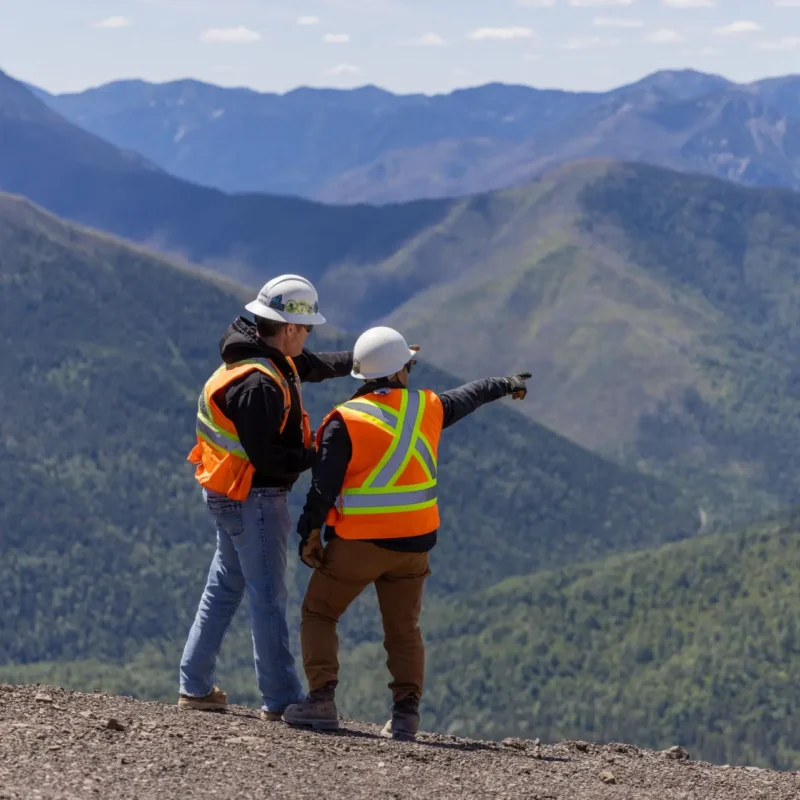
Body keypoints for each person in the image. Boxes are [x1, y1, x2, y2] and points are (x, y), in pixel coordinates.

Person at [282, 326, 530, 740]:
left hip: (359, 544)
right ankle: (405, 716)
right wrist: (505, 384)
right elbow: (469, 395)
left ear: (362, 375)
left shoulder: (344, 420)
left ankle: (321, 701)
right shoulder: (428, 407)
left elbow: (323, 489)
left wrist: (310, 534)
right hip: (415, 546)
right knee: (403, 629)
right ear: (400, 371)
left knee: (320, 613)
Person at [178, 274, 353, 721]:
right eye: (307, 328)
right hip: (254, 498)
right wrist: (322, 454)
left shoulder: (258, 356)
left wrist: (364, 360)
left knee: (225, 586)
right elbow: (271, 459)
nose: (310, 336)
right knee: (269, 596)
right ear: (290, 329)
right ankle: (281, 700)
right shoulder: (259, 384)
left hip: (226, 493)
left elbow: (313, 366)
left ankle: (194, 685)